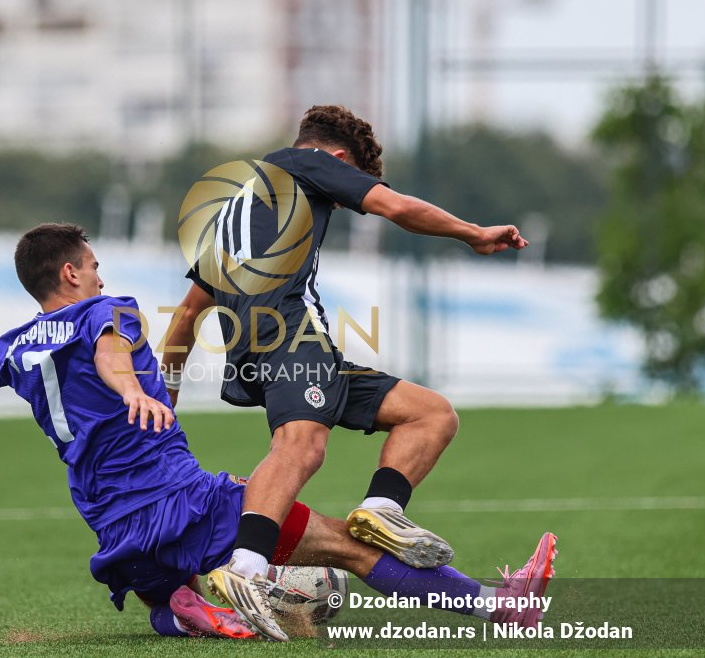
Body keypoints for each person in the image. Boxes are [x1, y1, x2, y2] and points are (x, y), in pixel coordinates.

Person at [0, 222, 555, 642]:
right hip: (182, 501)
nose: (100, 274)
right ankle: (501, 605)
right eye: (93, 265)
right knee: (351, 548)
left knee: (166, 594)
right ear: (70, 274)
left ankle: (182, 611)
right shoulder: (109, 310)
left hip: (111, 524)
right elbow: (109, 355)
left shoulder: (13, 347)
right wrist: (130, 390)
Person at [161, 105, 532, 636]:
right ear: (338, 158)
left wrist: (166, 389)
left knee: (430, 414)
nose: (347, 193)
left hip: (263, 347)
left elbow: (190, 312)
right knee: (301, 446)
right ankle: (247, 567)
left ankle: (381, 509)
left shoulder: (234, 211)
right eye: (351, 178)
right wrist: (472, 233)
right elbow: (396, 207)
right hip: (290, 334)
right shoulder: (306, 162)